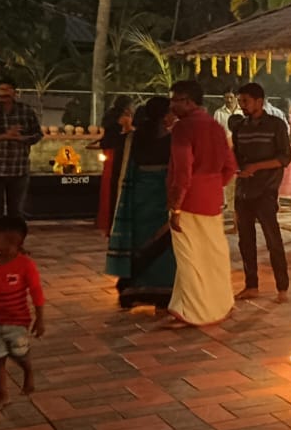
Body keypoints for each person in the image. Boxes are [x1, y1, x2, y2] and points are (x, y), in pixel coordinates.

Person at [167, 80, 236, 327]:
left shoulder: (182, 129)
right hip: (212, 198)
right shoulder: (216, 127)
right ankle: (211, 305)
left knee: (189, 259)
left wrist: (176, 207)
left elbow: (183, 171)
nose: (172, 104)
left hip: (188, 201)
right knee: (213, 255)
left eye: (175, 99)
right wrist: (214, 186)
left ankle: (196, 312)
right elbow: (230, 167)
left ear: (188, 101)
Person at [105, 98, 175, 309]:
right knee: (163, 245)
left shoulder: (132, 139)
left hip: (137, 200)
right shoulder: (172, 140)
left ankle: (131, 289)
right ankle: (162, 292)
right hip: (161, 200)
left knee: (140, 243)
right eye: (171, 112)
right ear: (164, 116)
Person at [0, 215, 45, 410]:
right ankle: (3, 395)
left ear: (12, 239)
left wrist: (40, 319)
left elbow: (36, 291)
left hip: (16, 321)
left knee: (18, 354)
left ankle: (27, 371)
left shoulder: (25, 265)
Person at [230, 83, 291, 303]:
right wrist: (237, 169)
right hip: (243, 191)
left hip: (266, 190)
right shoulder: (241, 128)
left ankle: (282, 287)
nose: (242, 106)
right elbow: (235, 155)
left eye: (245, 101)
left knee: (272, 239)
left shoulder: (276, 125)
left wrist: (256, 167)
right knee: (245, 240)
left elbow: (284, 158)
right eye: (240, 101)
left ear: (259, 101)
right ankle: (251, 285)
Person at [0, 79, 42, 222]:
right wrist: (3, 136)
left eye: (7, 89)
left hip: (19, 169)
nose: (3, 93)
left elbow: (37, 134)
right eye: (0, 90)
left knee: (16, 211)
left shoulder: (26, 111)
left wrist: (21, 138)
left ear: (15, 93)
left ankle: (14, 240)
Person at [95, 96, 135, 237]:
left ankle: (106, 221)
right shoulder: (124, 118)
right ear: (126, 107)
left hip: (109, 154)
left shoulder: (109, 117)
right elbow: (129, 133)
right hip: (118, 155)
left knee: (108, 187)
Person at [213, 90, 241, 228]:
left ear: (236, 97)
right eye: (226, 98)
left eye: (231, 97)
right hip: (226, 155)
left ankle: (237, 225)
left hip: (235, 164)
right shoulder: (218, 113)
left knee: (234, 194)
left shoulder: (242, 111)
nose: (229, 100)